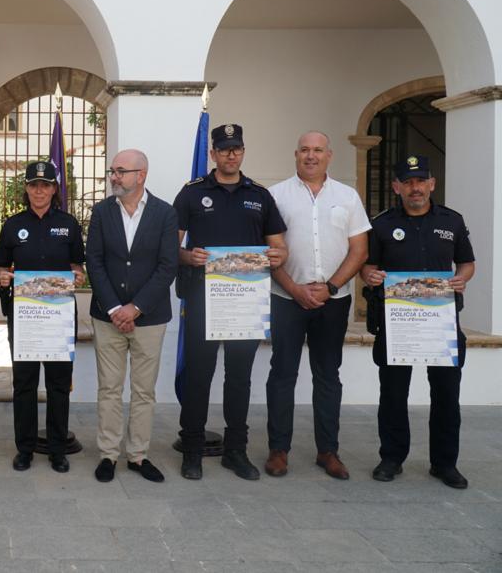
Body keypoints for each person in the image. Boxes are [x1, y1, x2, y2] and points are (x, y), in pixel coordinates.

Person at [174, 124, 287, 481]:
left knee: (238, 378)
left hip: (245, 303)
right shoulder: (192, 194)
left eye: (236, 148)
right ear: (213, 154)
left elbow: (279, 248)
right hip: (202, 298)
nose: (231, 154)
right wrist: (187, 256)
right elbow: (170, 246)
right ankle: (192, 449)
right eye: (224, 149)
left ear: (243, 151)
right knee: (199, 376)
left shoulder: (260, 196)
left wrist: (276, 256)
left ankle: (235, 451)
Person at [360, 154, 475, 489]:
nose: (415, 188)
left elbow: (467, 262)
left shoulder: (452, 221)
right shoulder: (380, 225)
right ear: (396, 186)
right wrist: (371, 275)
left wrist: (461, 278)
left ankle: (444, 463)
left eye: (421, 181)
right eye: (408, 182)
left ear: (432, 184)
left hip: (441, 325)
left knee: (446, 396)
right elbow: (367, 267)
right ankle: (391, 458)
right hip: (398, 324)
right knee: (393, 394)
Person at [266, 131, 370, 479]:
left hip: (333, 301)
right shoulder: (276, 196)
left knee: (328, 376)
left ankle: (328, 451)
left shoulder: (348, 196)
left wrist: (331, 286)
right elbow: (269, 251)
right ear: (295, 155)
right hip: (286, 299)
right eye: (305, 150)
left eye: (318, 150)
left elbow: (359, 250)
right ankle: (278, 450)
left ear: (330, 155)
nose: (311, 156)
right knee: (282, 375)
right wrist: (295, 289)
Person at [85, 149, 179, 483]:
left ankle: (138, 456)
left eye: (121, 171)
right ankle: (108, 454)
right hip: (106, 317)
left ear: (142, 175)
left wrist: (135, 307)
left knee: (143, 391)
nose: (114, 176)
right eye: (113, 170)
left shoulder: (165, 213)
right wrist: (114, 308)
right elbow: (93, 261)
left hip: (149, 319)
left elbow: (168, 265)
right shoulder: (101, 212)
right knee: (109, 389)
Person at [0, 161, 86, 473]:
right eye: (33, 184)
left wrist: (77, 276)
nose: (39, 190)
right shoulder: (12, 225)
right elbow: (0, 266)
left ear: (54, 189)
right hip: (26, 317)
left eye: (45, 185)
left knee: (59, 384)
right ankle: (25, 448)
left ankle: (57, 449)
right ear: (26, 188)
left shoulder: (69, 224)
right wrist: (4, 276)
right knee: (24, 384)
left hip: (59, 317)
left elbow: (79, 267)